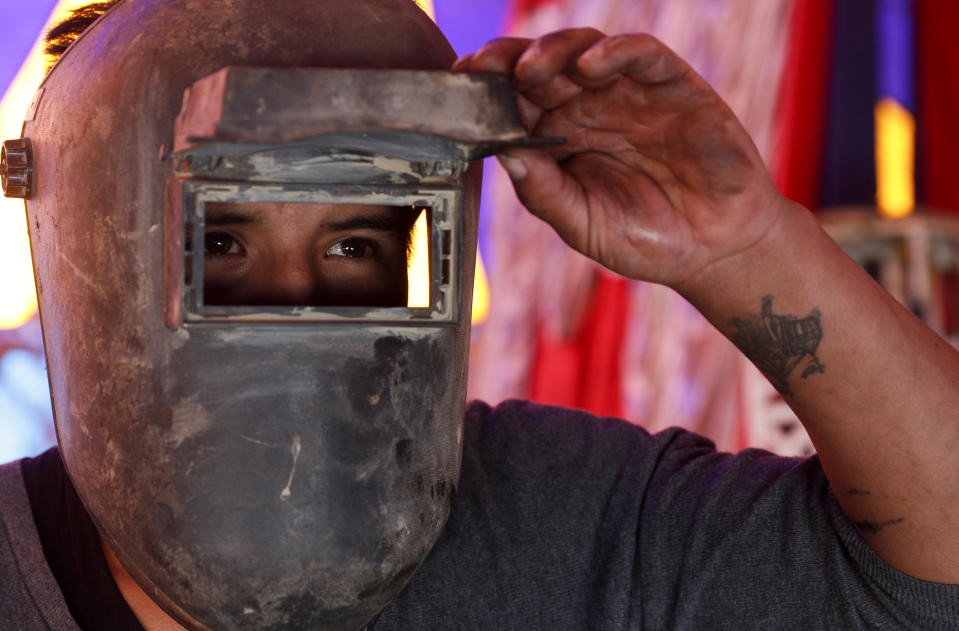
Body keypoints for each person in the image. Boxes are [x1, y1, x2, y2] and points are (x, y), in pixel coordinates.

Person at [2, 1, 958, 630]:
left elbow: (932, 580)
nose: (296, 308)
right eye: (222, 245)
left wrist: (746, 248)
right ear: (92, 258)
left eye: (352, 246)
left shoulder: (560, 519)